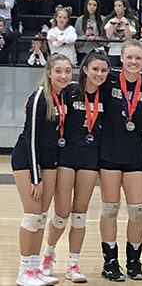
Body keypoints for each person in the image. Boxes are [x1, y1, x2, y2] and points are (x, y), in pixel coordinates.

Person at [39, 49, 110, 284]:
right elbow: (46, 100)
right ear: (85, 69)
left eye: (103, 70)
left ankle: (73, 264)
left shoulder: (108, 94)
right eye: (95, 69)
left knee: (80, 215)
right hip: (66, 156)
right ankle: (48, 256)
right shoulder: (69, 91)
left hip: (91, 159)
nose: (99, 74)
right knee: (61, 214)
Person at [98, 40, 142, 282]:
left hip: (134, 154)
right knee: (110, 209)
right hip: (109, 153)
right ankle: (110, 262)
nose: (133, 62)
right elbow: (80, 86)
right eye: (129, 57)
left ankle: (134, 261)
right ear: (121, 58)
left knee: (137, 211)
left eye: (138, 58)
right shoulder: (108, 79)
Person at [12, 53, 72, 286]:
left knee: (41, 218)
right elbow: (31, 139)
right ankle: (23, 271)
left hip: (49, 163)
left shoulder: (64, 95)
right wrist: (36, 177)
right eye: (58, 71)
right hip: (29, 161)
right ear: (49, 72)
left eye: (67, 71)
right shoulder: (39, 97)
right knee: (32, 216)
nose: (63, 75)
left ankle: (35, 268)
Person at [104, 0, 138, 66]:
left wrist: (126, 24)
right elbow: (108, 36)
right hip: (113, 52)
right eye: (115, 6)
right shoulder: (111, 20)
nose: (117, 8)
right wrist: (113, 24)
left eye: (119, 6)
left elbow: (128, 37)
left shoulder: (131, 21)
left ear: (124, 7)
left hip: (126, 52)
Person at [75, 0, 106, 64]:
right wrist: (85, 37)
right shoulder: (80, 20)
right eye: (90, 4)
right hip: (83, 53)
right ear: (86, 5)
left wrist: (95, 38)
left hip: (98, 52)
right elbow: (76, 41)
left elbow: (106, 41)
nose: (92, 7)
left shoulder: (103, 20)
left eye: (94, 5)